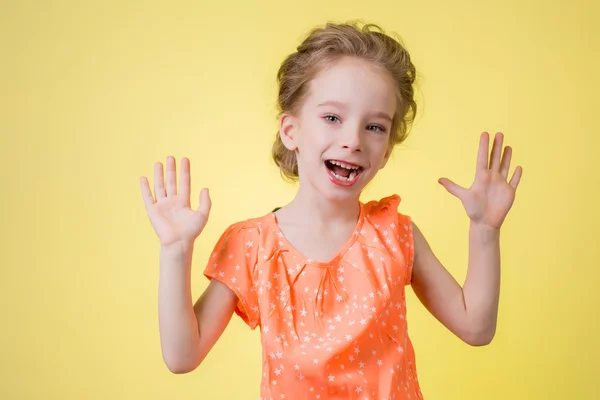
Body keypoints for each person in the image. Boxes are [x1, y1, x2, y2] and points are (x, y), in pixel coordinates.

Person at [139, 21, 523, 400]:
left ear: (387, 150)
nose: (352, 140)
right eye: (332, 118)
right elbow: (182, 356)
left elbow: (475, 327)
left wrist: (485, 229)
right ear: (291, 131)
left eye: (374, 127)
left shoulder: (395, 233)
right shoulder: (251, 245)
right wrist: (175, 251)